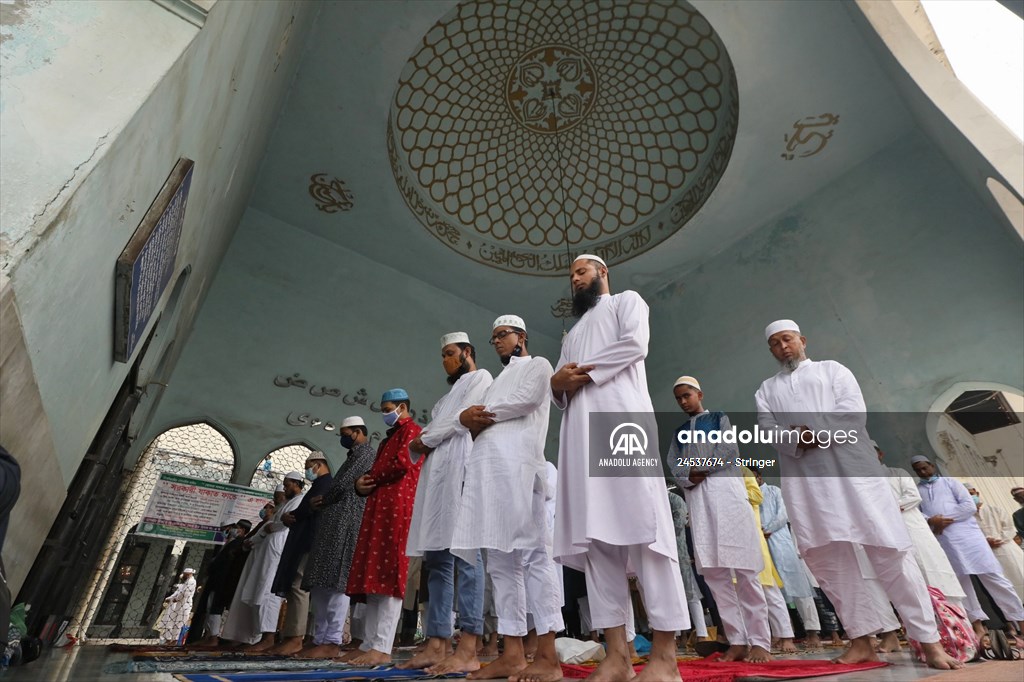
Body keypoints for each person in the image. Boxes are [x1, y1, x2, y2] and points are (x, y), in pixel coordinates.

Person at [755, 320, 960, 669]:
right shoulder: (766, 389)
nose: (783, 347)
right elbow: (767, 429)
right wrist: (796, 439)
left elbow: (852, 413)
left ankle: (928, 641)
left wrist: (812, 432)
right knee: (829, 561)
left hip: (854, 476)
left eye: (787, 339)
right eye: (774, 344)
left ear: (802, 340)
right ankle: (861, 640)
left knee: (890, 553)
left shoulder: (832, 370)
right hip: (808, 485)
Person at [552, 255, 689, 682]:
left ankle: (665, 657)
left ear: (602, 273)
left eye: (581, 272)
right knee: (597, 544)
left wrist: (580, 376)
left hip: (621, 426)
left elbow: (635, 345)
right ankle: (617, 656)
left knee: (645, 533)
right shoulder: (571, 333)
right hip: (578, 438)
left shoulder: (627, 301)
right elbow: (559, 382)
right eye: (571, 276)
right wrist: (557, 384)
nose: (575, 280)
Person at [451, 314, 563, 682]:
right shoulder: (494, 381)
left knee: (533, 557)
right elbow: (470, 424)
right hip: (487, 474)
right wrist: (467, 419)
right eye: (494, 337)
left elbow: (526, 401)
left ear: (522, 336)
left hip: (518, 469)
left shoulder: (538, 366)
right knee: (499, 563)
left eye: (503, 335)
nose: (497, 341)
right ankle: (512, 653)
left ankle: (546, 653)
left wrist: (475, 416)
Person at [400, 333, 493, 674]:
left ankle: (468, 644)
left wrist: (432, 435)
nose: (445, 361)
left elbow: (455, 426)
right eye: (443, 355)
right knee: (437, 562)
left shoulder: (482, 379)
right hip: (436, 483)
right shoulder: (443, 401)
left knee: (467, 558)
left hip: (463, 474)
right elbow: (422, 440)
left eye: (450, 354)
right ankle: (437, 642)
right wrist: (444, 429)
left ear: (467, 352)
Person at [669, 376, 772, 663]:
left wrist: (702, 467)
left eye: (687, 395)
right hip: (700, 504)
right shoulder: (679, 432)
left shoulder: (718, 418)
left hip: (727, 499)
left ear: (699, 393)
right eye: (678, 398)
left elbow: (729, 451)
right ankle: (737, 641)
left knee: (746, 571)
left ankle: (761, 642)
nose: (682, 401)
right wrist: (687, 477)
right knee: (715, 576)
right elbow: (674, 464)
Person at [343, 389, 424, 666]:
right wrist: (363, 485)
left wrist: (370, 477)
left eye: (387, 408)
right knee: (374, 576)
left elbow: (403, 464)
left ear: (402, 407)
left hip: (399, 509)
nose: (384, 414)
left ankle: (383, 646)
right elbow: (379, 470)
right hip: (380, 508)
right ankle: (369, 643)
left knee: (390, 576)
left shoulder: (413, 431)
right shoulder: (386, 440)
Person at [911, 456, 1024, 638]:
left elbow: (969, 506)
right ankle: (978, 627)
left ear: (932, 465)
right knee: (961, 585)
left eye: (925, 468)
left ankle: (1020, 622)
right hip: (945, 541)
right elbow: (917, 513)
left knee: (995, 579)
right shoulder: (917, 490)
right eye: (918, 470)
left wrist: (943, 519)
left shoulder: (950, 482)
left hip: (970, 539)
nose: (923, 472)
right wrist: (931, 520)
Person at [297, 418, 377, 658]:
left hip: (347, 523)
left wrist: (324, 498)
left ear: (358, 432)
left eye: (346, 433)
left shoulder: (366, 453)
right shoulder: (352, 456)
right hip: (332, 524)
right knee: (322, 581)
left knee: (337, 582)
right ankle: (320, 638)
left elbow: (344, 485)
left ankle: (332, 640)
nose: (343, 438)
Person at [222, 473, 304, 649]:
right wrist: (267, 530)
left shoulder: (299, 500)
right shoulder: (284, 504)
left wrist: (270, 527)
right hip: (268, 549)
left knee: (269, 592)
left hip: (278, 548)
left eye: (287, 485)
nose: (285, 488)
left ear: (297, 484)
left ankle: (268, 638)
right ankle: (261, 636)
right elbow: (271, 525)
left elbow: (285, 524)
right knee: (261, 590)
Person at [268, 452, 333, 655]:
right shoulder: (318, 485)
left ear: (318, 464)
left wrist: (292, 516)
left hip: (310, 542)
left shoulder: (325, 484)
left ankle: (296, 638)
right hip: (304, 540)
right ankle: (292, 637)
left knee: (298, 586)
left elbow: (313, 509)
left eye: (308, 465)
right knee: (296, 586)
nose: (307, 470)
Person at [754, 469, 823, 650]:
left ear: (759, 477)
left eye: (752, 477)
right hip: (761, 547)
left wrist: (767, 529)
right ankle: (780, 633)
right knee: (770, 591)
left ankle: (813, 632)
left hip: (780, 543)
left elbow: (783, 515)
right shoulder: (746, 496)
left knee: (799, 590)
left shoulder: (774, 491)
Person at [742, 467, 796, 655]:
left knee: (771, 593)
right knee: (743, 598)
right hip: (734, 545)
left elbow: (756, 496)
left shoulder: (742, 472)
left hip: (755, 543)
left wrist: (730, 492)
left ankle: (786, 636)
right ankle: (755, 640)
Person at [193, 519, 253, 644]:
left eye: (236, 527)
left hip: (223, 580)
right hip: (217, 579)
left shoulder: (239, 543)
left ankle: (213, 637)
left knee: (215, 607)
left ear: (243, 530)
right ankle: (208, 635)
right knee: (210, 605)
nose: (231, 530)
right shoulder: (230, 543)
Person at [967, 484, 1024, 602]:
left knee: (1020, 577)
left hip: (1009, 551)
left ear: (977, 493)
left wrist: (998, 540)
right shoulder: (967, 518)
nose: (970, 497)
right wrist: (986, 543)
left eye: (971, 494)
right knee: (1006, 589)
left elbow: (1009, 529)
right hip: (987, 555)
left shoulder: (996, 509)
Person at [157, 568, 197, 644]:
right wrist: (170, 598)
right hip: (179, 604)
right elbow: (178, 592)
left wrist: (176, 599)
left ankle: (175, 640)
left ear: (188, 574)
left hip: (185, 605)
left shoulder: (191, 582)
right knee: (172, 622)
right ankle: (170, 639)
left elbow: (185, 593)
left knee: (179, 623)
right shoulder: (187, 582)